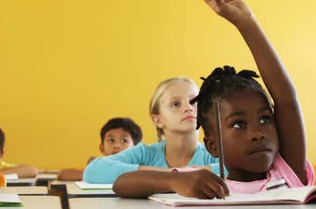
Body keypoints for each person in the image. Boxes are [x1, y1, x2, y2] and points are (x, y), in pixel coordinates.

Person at [114, 0, 314, 198]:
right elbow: (121, 184)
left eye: (265, 119)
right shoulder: (204, 185)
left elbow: (286, 99)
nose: (257, 133)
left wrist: (246, 22)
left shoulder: (286, 173)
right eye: (239, 124)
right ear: (212, 146)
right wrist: (174, 180)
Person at [83, 77, 220, 184]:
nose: (189, 108)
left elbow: (238, 169)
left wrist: (182, 173)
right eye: (176, 104)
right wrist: (169, 174)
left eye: (194, 101)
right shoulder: (144, 154)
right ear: (157, 119)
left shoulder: (212, 153)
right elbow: (93, 170)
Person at [57, 117, 143, 181]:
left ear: (136, 149)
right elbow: (63, 175)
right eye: (111, 140)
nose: (116, 145)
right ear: (102, 148)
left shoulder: (142, 169)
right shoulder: (98, 167)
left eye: (124, 140)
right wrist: (93, 172)